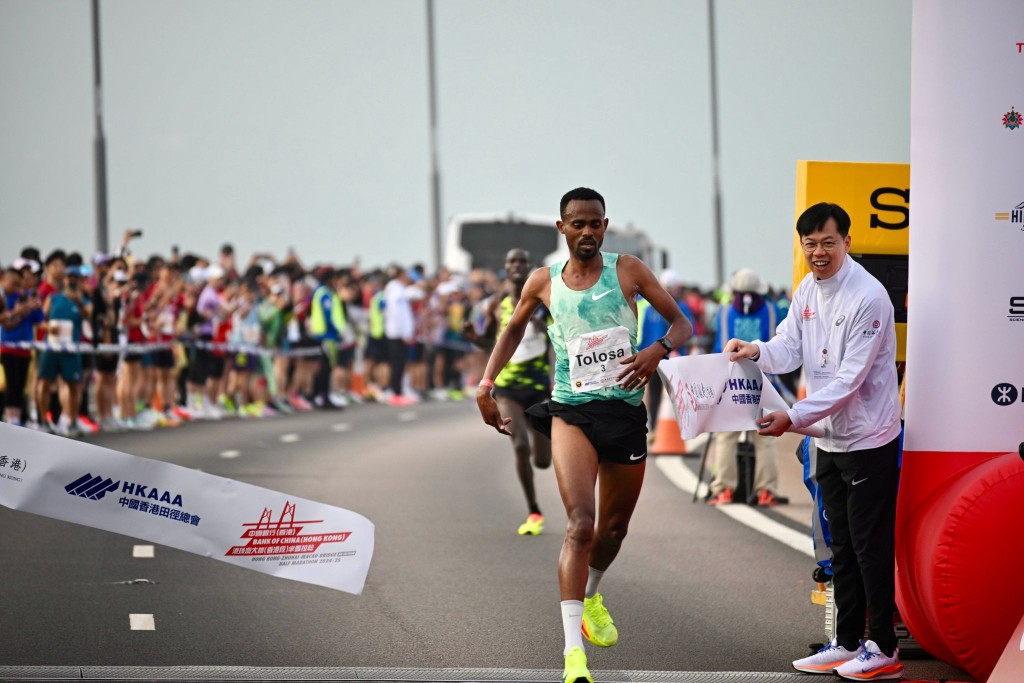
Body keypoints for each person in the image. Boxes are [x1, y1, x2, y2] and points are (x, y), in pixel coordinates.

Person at [476, 187, 692, 683]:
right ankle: (574, 653)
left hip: (624, 414)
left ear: (604, 225)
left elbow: (682, 323)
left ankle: (593, 592)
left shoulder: (629, 270)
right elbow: (511, 331)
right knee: (580, 525)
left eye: (595, 224)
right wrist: (486, 384)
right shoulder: (543, 282)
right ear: (562, 228)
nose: (587, 232)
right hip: (571, 411)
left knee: (613, 531)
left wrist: (657, 349)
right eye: (578, 224)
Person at [724, 202, 903, 680]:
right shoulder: (807, 288)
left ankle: (882, 646)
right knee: (839, 545)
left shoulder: (870, 296)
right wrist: (755, 351)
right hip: (826, 437)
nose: (818, 252)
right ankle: (846, 642)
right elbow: (788, 346)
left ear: (847, 241)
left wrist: (792, 417)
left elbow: (850, 379)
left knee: (869, 546)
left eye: (828, 242)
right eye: (809, 244)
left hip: (869, 437)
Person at [463, 248, 553, 536]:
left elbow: (561, 341)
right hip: (509, 390)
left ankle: (535, 434)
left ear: (529, 267)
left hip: (539, 389)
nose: (516, 265)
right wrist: (474, 337)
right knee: (521, 447)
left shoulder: (544, 303)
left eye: (521, 261)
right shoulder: (496, 305)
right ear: (505, 268)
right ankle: (534, 510)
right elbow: (490, 341)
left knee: (543, 461)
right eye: (511, 261)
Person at [706, 267, 788, 507]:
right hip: (763, 384)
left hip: (731, 384)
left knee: (726, 438)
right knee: (765, 439)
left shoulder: (723, 313)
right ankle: (766, 491)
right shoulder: (772, 311)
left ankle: (724, 489)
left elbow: (716, 345)